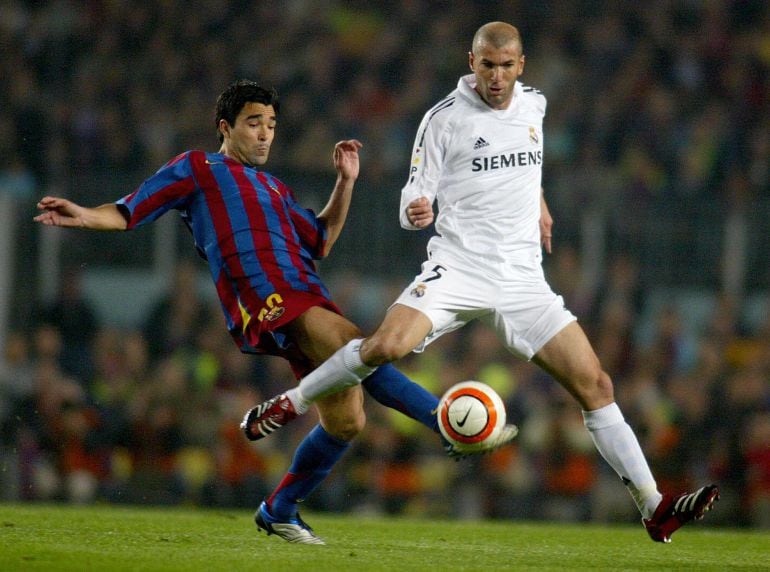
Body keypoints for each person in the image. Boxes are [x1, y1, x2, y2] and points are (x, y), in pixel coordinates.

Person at [244, 23, 720, 543]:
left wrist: (539, 207)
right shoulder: (443, 120)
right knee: (383, 345)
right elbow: (410, 197)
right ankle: (291, 403)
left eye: (506, 66)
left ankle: (654, 507)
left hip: (522, 280)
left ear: (522, 65)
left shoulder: (534, 105)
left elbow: (526, 165)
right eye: (487, 65)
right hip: (460, 268)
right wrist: (416, 210)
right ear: (472, 63)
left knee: (596, 384)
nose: (496, 77)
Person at [34, 80, 514, 545]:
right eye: (253, 123)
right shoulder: (197, 167)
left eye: (271, 124)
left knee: (347, 421)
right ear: (225, 127)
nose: (265, 133)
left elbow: (320, 239)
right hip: (264, 295)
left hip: (305, 289)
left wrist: (345, 183)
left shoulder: (275, 188)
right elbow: (128, 211)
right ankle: (447, 425)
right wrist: (84, 215)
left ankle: (279, 509)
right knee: (355, 344)